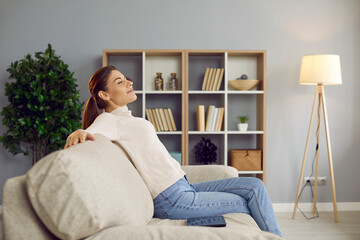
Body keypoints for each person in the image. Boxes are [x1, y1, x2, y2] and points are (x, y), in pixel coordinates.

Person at [64, 66, 282, 237]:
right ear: (104, 94)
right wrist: (79, 132)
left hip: (184, 187)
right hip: (171, 199)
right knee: (247, 202)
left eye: (126, 78)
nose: (129, 82)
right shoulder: (109, 119)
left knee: (254, 185)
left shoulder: (126, 119)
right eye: (119, 82)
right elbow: (92, 132)